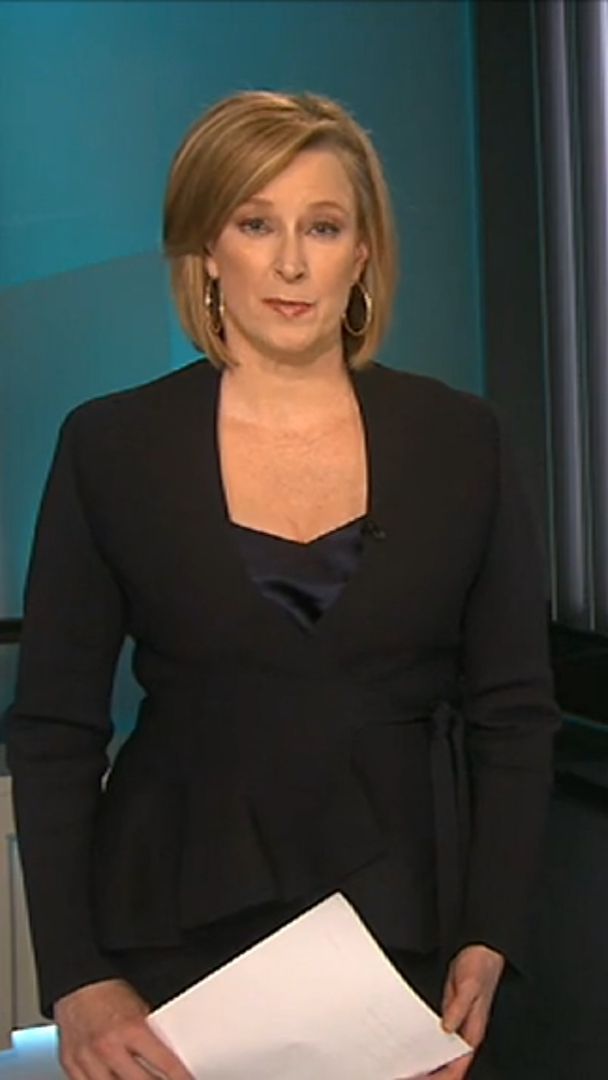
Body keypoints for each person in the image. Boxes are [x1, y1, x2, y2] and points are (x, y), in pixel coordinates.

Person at [6, 90, 559, 1080]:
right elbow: (53, 728)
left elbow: (514, 715)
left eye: (324, 226)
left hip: (406, 935)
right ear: (207, 250)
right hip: (170, 940)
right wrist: (78, 976)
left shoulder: (460, 441)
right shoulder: (111, 447)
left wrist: (490, 936)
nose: (292, 264)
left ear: (363, 252)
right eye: (257, 224)